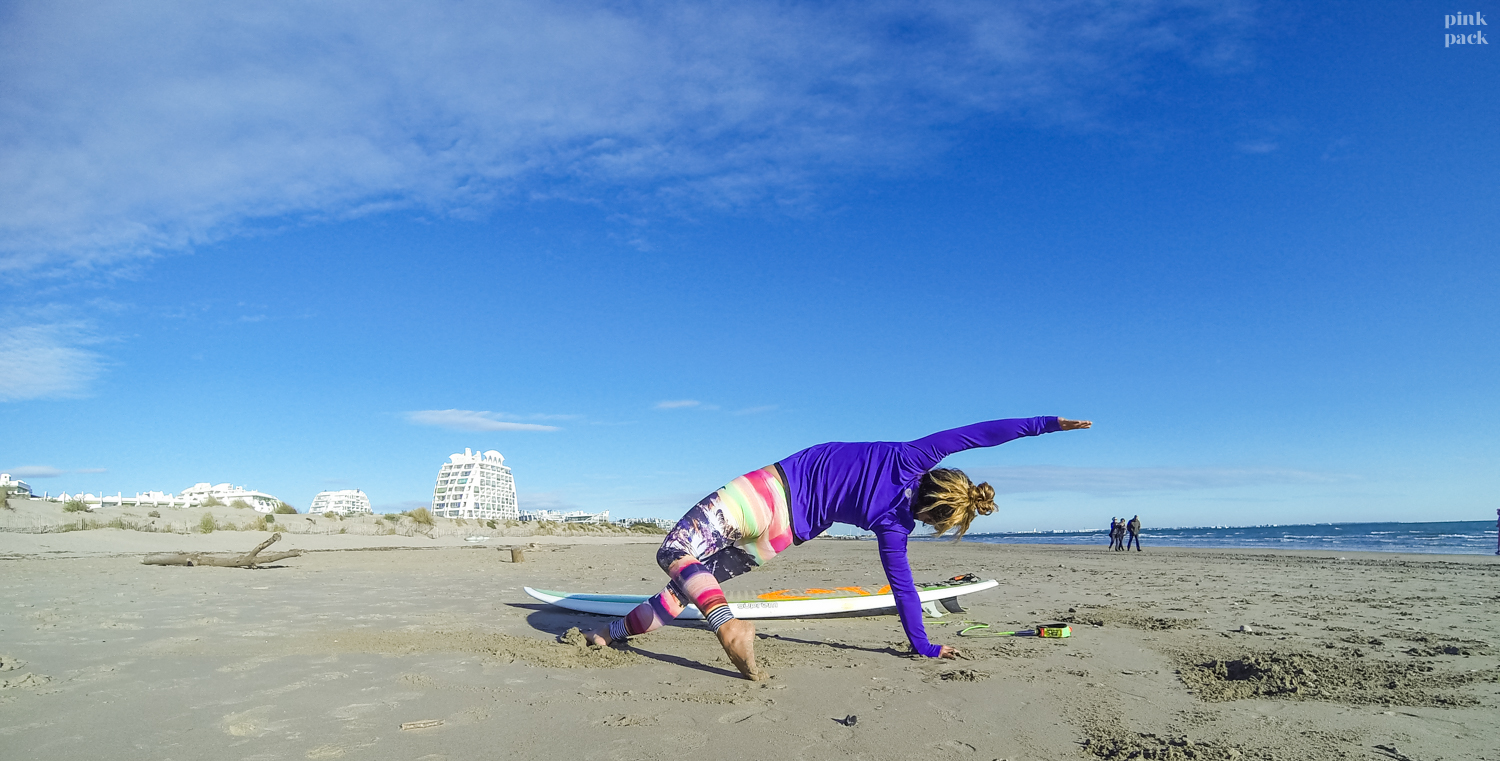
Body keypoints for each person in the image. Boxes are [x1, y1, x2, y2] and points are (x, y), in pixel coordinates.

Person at [577, 416, 1093, 679]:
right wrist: (924, 646)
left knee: (675, 551)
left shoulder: (913, 457)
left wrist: (1048, 424)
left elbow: (981, 434)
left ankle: (729, 627)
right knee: (687, 586)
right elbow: (904, 591)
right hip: (786, 535)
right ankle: (611, 634)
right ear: (932, 516)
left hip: (767, 494)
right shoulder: (894, 527)